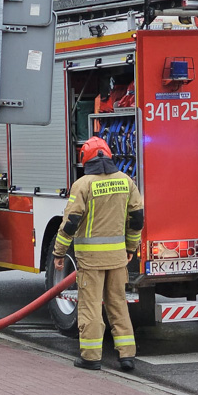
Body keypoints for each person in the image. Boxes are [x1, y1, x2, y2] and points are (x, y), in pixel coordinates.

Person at [53, 136, 144, 372]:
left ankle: (91, 357)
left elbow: (70, 222)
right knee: (118, 304)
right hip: (117, 258)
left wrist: (59, 252)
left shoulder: (83, 185)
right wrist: (131, 249)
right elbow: (137, 220)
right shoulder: (127, 182)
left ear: (86, 159)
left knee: (91, 306)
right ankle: (127, 356)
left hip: (90, 261)